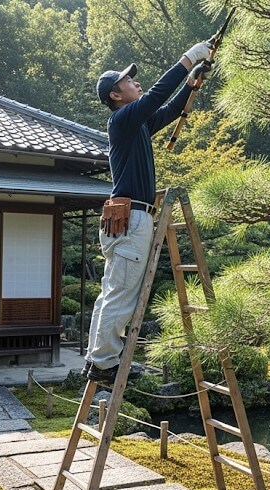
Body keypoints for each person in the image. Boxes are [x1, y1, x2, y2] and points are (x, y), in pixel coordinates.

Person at [83, 42, 214, 384]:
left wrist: (191, 82)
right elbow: (155, 97)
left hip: (125, 218)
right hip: (131, 218)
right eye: (129, 81)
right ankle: (103, 362)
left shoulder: (135, 124)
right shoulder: (122, 119)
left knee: (112, 290)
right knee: (121, 291)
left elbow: (168, 110)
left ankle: (97, 358)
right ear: (116, 95)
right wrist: (189, 58)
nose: (136, 83)